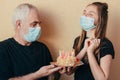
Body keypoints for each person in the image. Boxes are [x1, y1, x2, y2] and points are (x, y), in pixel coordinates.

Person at [0, 3, 61, 80]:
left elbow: (51, 77)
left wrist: (57, 71)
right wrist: (38, 74)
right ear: (19, 24)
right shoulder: (3, 49)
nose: (39, 28)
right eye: (34, 24)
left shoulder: (42, 48)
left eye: (39, 23)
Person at [61, 2, 115, 80]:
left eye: (90, 14)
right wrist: (84, 49)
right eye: (84, 12)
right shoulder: (78, 40)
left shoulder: (106, 45)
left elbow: (102, 79)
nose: (85, 16)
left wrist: (90, 52)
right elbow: (70, 72)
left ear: (100, 20)